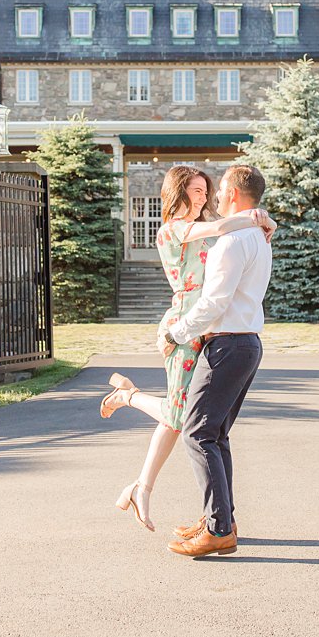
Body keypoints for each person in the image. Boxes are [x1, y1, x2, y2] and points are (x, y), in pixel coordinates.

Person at [99, 164, 275, 532]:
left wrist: (260, 219)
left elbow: (231, 223)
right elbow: (227, 225)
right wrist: (260, 218)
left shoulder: (212, 222)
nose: (203, 196)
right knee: (183, 418)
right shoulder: (174, 230)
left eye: (206, 190)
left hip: (207, 323)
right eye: (195, 190)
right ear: (177, 193)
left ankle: (144, 487)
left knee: (188, 420)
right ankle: (129, 399)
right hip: (185, 323)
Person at [161, 163, 272, 559]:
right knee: (216, 435)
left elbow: (213, 302)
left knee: (198, 434)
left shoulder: (231, 240)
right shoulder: (257, 235)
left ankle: (219, 529)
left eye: (221, 189)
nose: (216, 195)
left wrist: (176, 334)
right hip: (245, 344)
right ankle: (219, 518)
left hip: (227, 346)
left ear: (235, 196)